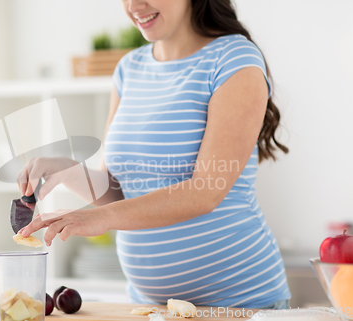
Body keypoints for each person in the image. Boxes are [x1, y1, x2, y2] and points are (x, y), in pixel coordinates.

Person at [18, 0, 291, 309]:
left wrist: (99, 219)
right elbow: (117, 192)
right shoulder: (128, 68)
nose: (134, 5)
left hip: (240, 304)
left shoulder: (233, 59)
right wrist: (67, 170)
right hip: (151, 307)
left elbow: (206, 192)